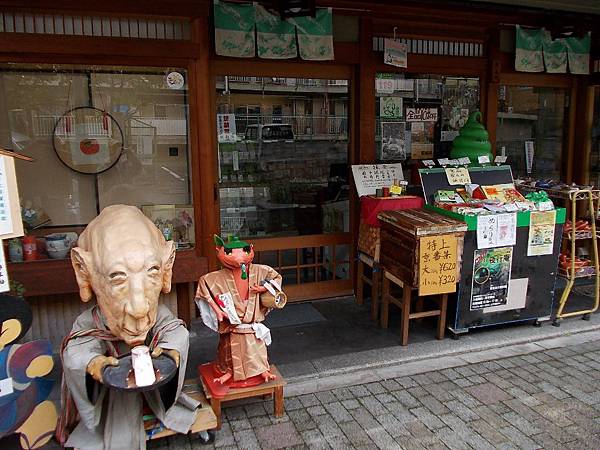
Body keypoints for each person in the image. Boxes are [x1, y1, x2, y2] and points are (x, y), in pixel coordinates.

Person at [57, 205, 198, 450]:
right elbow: (76, 350)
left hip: (153, 386)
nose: (139, 308)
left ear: (167, 265)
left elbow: (175, 330)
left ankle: (156, 406)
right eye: (117, 277)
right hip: (111, 396)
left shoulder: (157, 314)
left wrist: (170, 351)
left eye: (152, 271)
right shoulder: (93, 321)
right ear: (84, 271)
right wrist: (94, 364)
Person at [195, 235, 282, 385]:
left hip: (252, 324)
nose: (238, 257)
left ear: (251, 249)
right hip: (233, 326)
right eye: (230, 252)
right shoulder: (217, 277)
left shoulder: (260, 270)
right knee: (230, 353)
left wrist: (264, 288)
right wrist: (217, 310)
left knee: (256, 349)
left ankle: (262, 370)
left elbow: (276, 277)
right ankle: (229, 372)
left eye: (244, 251)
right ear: (219, 251)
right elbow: (204, 286)